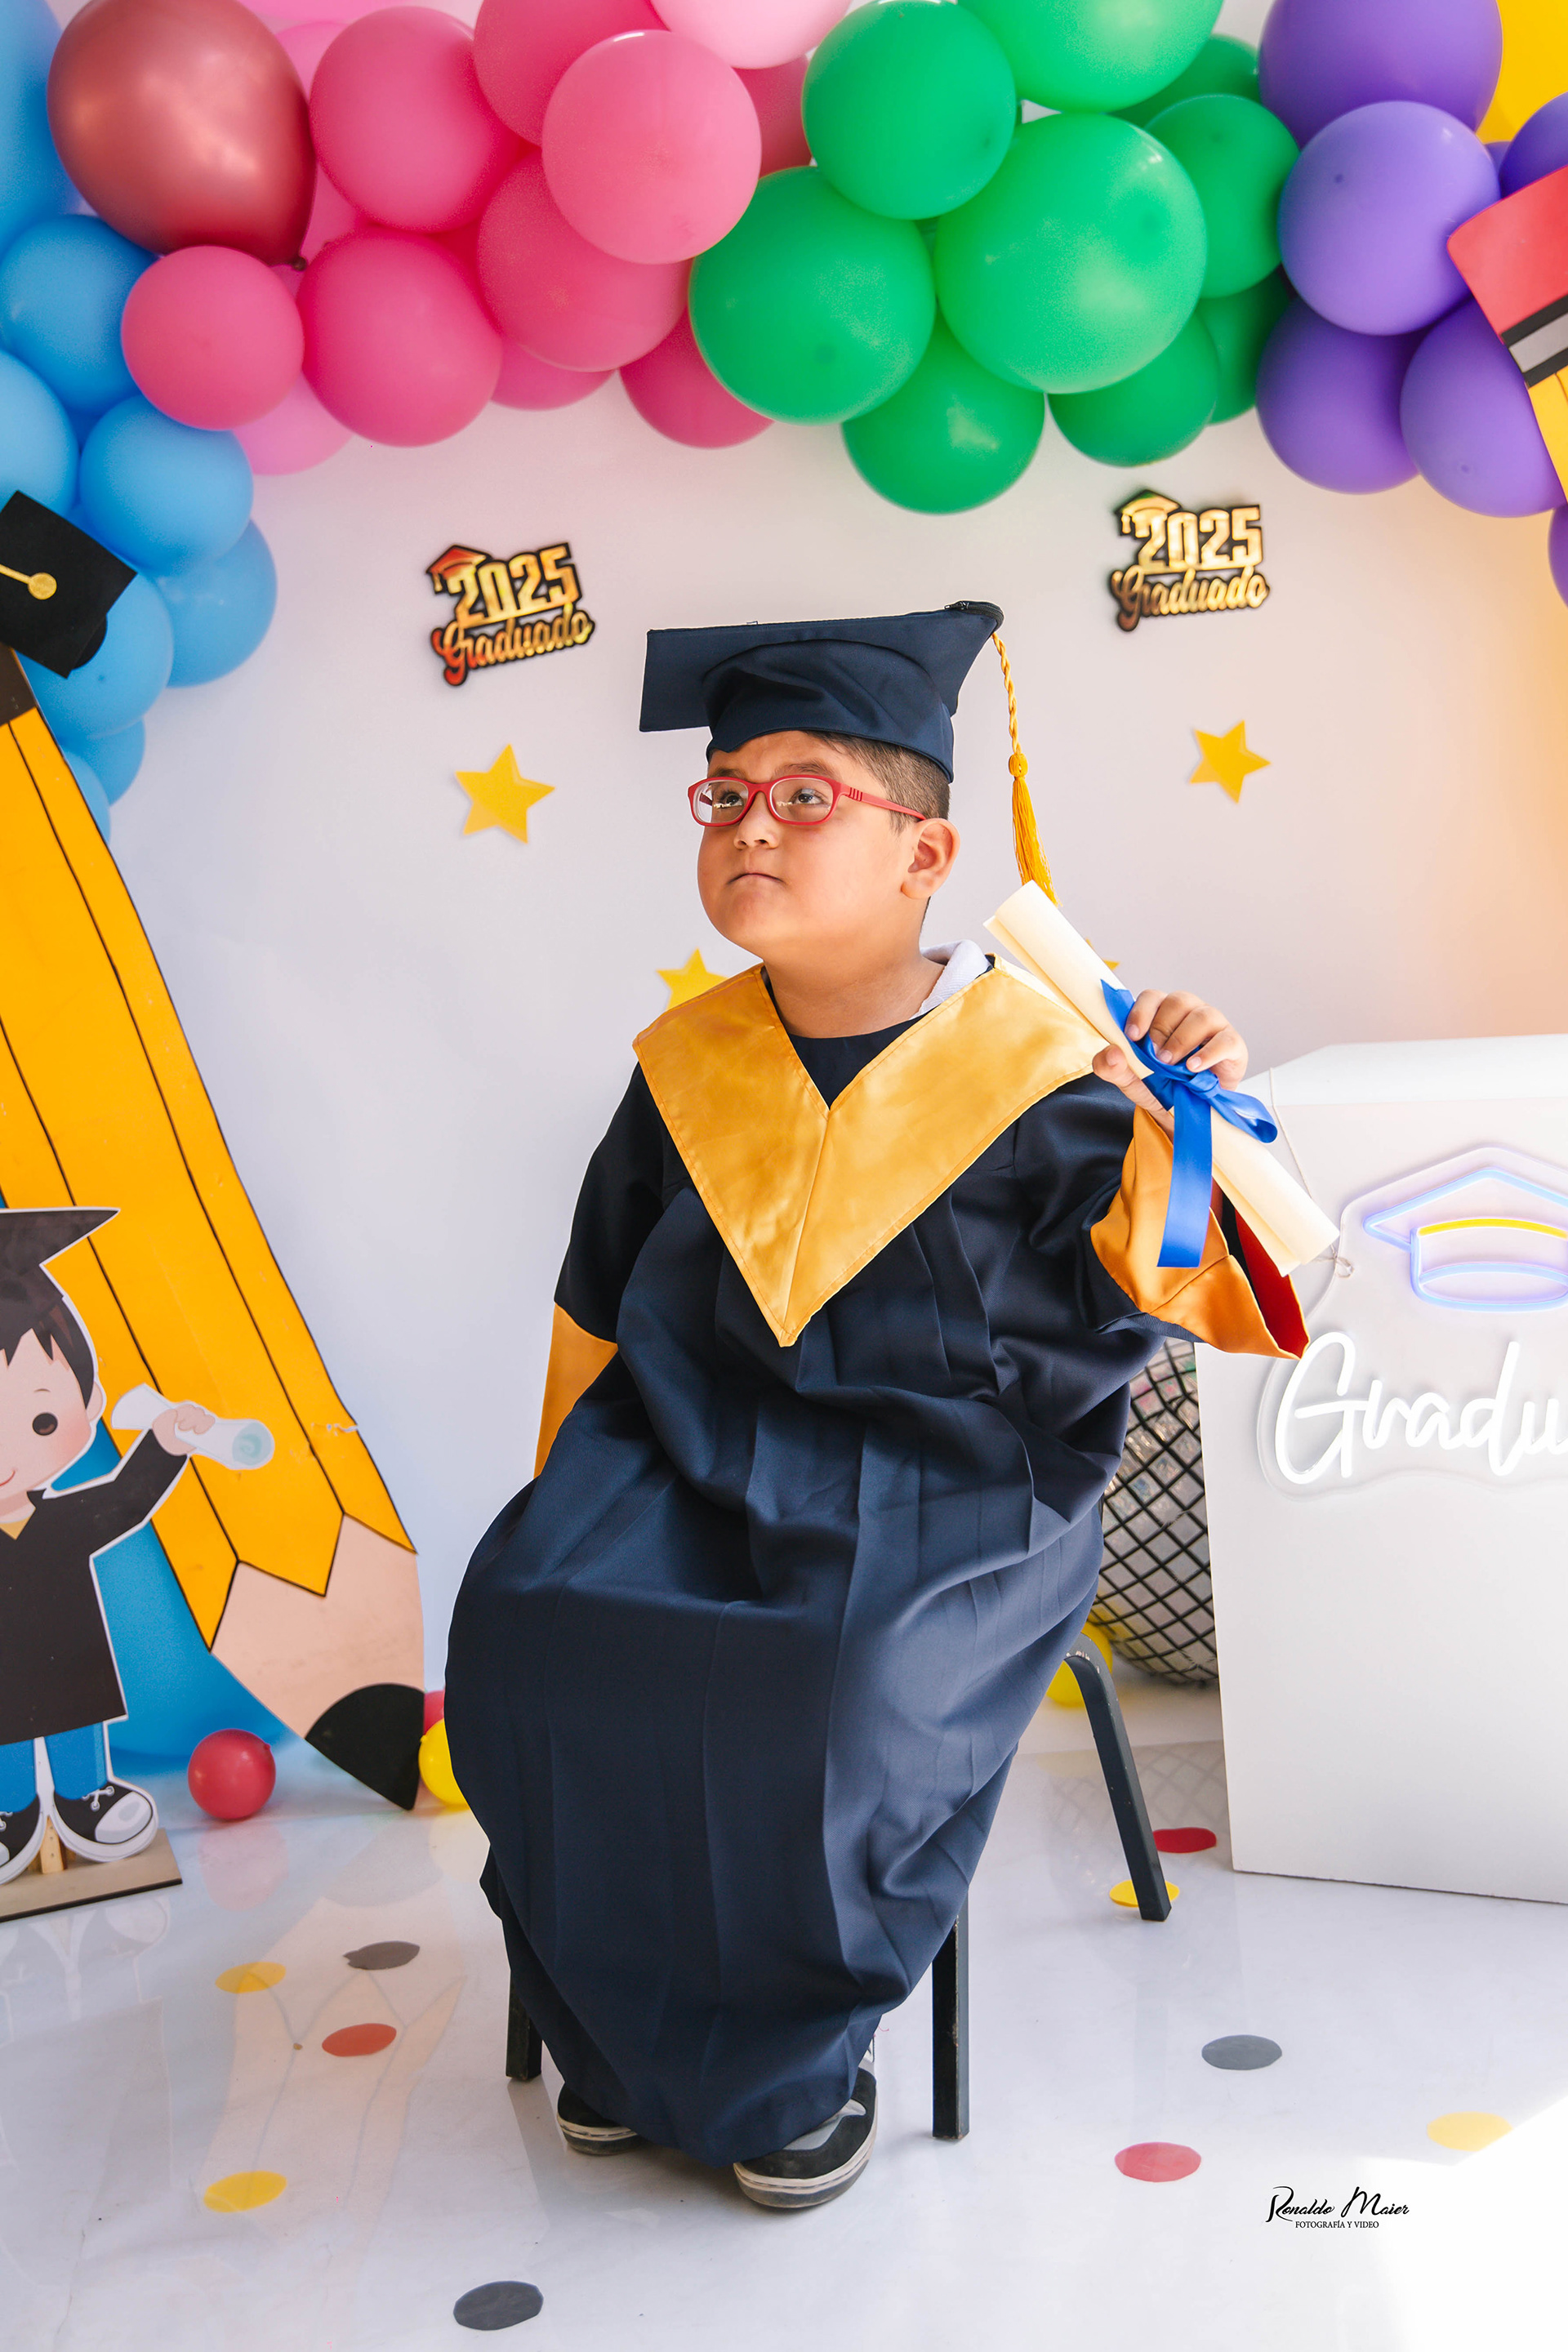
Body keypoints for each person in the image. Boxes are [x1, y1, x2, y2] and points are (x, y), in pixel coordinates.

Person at [446, 604, 1307, 2210]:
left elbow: (1171, 1284)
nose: (750, 826)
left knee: (830, 1696)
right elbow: (595, 1310)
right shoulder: (685, 1066)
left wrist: (1186, 1113)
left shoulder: (1041, 1062)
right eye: (724, 795)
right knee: (538, 1626)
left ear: (927, 856)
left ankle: (784, 2070)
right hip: (681, 1461)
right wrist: (567, 1498)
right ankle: (616, 2044)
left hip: (953, 1489)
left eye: (803, 796)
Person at [0, 1206, 216, 1883]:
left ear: (88, 1405)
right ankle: (9, 1813)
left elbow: (124, 1501)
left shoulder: (64, 1523)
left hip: (70, 1662)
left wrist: (165, 1443)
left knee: (74, 1716)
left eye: (40, 1418)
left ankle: (86, 1796)